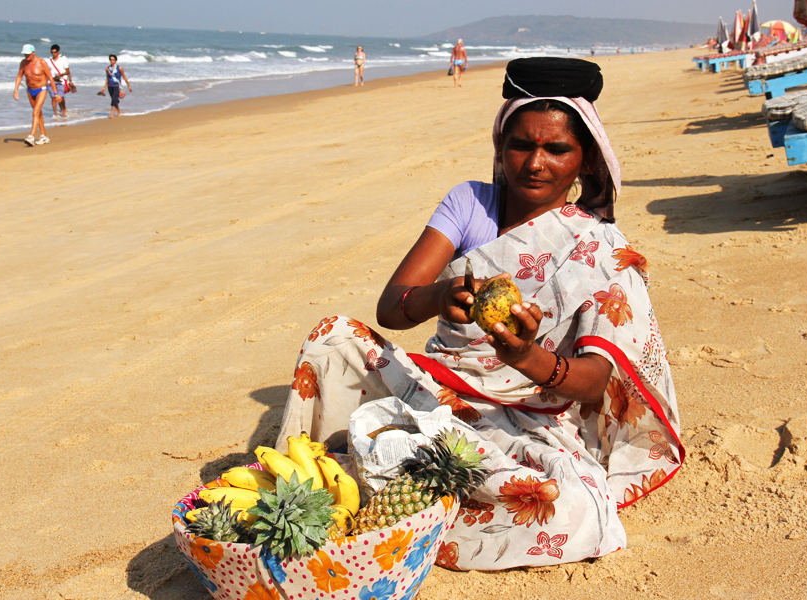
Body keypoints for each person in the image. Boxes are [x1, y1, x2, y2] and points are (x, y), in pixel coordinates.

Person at [275, 57, 683, 570]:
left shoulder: (601, 248)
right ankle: (324, 481)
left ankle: (401, 487)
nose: (535, 163)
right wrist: (438, 296)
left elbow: (596, 382)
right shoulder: (470, 204)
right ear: (501, 147)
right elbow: (392, 306)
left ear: (585, 160)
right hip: (437, 389)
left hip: (521, 416)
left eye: (556, 149)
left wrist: (528, 357)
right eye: (521, 145)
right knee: (333, 339)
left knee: (570, 505)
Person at [12, 44, 56, 146]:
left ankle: (31, 136)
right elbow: (19, 77)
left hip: (41, 89)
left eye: (28, 54)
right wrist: (16, 90)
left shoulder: (41, 62)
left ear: (33, 52)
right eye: (24, 54)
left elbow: (50, 77)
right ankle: (44, 136)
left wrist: (56, 93)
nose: (26, 56)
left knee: (35, 112)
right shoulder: (23, 63)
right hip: (30, 90)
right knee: (38, 113)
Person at [47, 44, 74, 117]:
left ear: (58, 52)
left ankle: (64, 108)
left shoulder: (62, 60)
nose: (53, 54)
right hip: (51, 81)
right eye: (52, 52)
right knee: (53, 98)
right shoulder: (49, 61)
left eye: (55, 52)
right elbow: (47, 71)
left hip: (60, 81)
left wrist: (62, 75)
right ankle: (55, 114)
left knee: (61, 97)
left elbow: (67, 71)